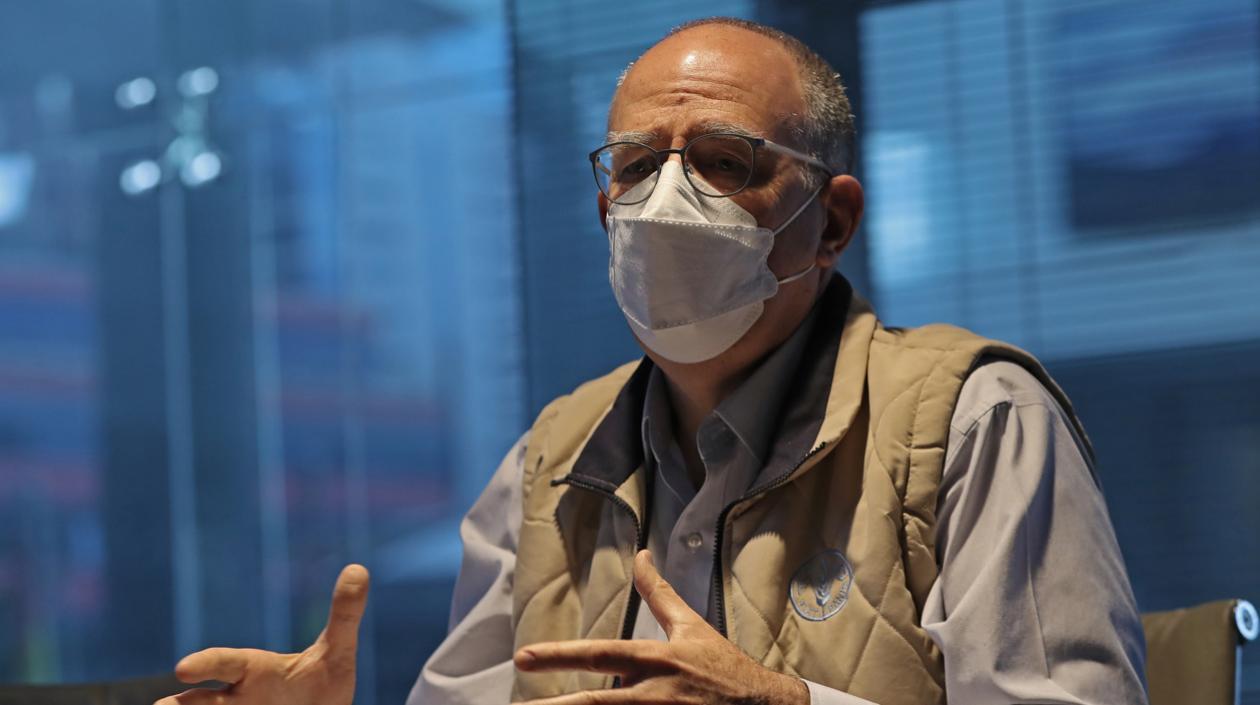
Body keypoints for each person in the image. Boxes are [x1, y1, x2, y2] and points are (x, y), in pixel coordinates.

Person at [156, 17, 1149, 705]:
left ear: (832, 219)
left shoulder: (972, 420)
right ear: (604, 209)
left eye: (724, 161)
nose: (668, 200)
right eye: (637, 166)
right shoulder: (548, 464)